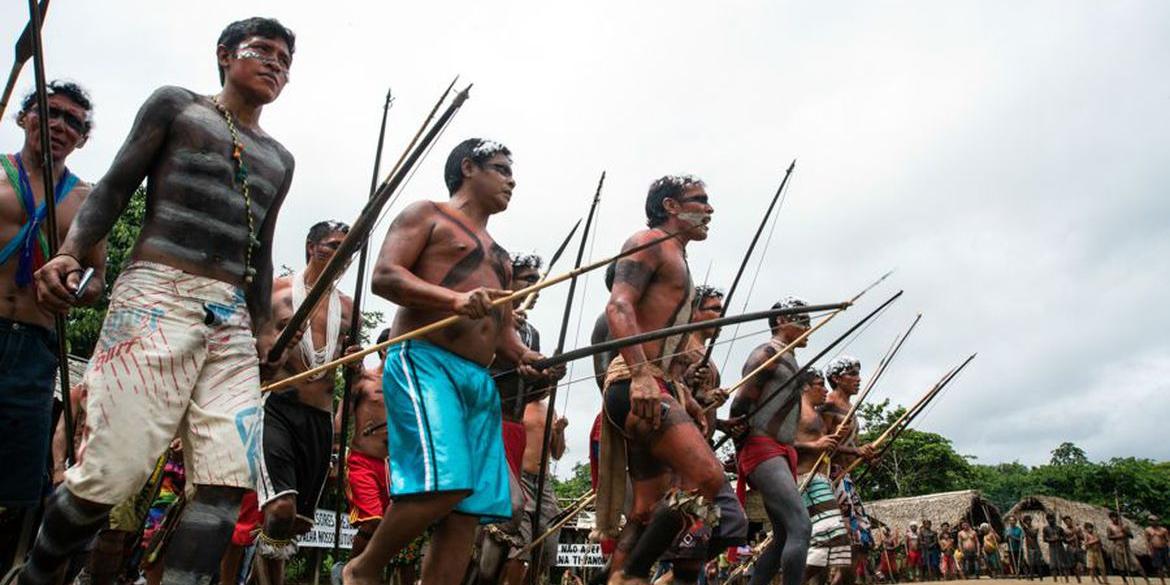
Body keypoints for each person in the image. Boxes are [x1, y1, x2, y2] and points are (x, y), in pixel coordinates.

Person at [20, 18, 297, 585]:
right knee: (109, 478)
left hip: (233, 320)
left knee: (227, 482)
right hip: (156, 295)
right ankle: (38, 574)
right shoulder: (177, 107)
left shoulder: (279, 159)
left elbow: (260, 251)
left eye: (285, 59)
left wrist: (264, 328)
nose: (276, 65)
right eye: (262, 51)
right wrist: (71, 254)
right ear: (225, 55)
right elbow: (117, 186)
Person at [343, 138, 554, 585]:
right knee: (448, 481)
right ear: (468, 168)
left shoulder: (500, 255)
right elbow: (385, 276)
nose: (511, 180)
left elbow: (502, 331)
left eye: (511, 172)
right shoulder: (428, 214)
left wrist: (526, 357)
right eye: (500, 168)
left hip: (478, 381)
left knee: (472, 507)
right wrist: (454, 299)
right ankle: (363, 570)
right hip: (426, 361)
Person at [597, 174, 728, 585]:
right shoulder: (648, 241)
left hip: (658, 386)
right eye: (699, 200)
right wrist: (639, 374)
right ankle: (634, 577)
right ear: (671, 206)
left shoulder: (679, 258)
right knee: (709, 481)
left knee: (646, 508)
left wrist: (685, 395)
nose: (709, 209)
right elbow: (619, 306)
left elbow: (667, 351)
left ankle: (615, 576)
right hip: (636, 386)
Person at [1, 80, 100, 512]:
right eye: (49, 112)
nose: (59, 125)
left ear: (81, 138)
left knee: (16, 482)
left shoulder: (85, 200)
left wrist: (75, 290)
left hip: (36, 346)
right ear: (24, 117)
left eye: (72, 121)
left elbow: (97, 279)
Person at [254, 221, 355, 585]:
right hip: (277, 407)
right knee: (281, 508)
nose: (342, 255)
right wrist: (276, 346)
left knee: (294, 522)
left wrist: (354, 361)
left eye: (349, 248)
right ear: (312, 246)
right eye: (334, 245)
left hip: (320, 418)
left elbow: (349, 368)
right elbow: (257, 358)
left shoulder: (347, 307)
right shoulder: (278, 293)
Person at [727, 295, 816, 585]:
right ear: (780, 321)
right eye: (802, 319)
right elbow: (740, 403)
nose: (808, 326)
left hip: (780, 451)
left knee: (782, 537)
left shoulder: (789, 357)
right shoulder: (767, 353)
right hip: (762, 447)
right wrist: (739, 438)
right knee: (800, 526)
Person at [339, 329, 424, 585]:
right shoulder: (364, 381)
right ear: (385, 350)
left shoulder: (409, 388)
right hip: (362, 462)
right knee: (372, 522)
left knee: (394, 530)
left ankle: (369, 575)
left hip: (394, 468)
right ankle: (351, 570)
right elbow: (341, 418)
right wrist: (349, 372)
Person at [821, 356, 878, 585]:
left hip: (847, 478)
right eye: (852, 374)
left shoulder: (850, 408)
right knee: (844, 543)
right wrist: (856, 452)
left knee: (862, 542)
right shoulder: (827, 404)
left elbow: (852, 445)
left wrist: (867, 456)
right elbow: (821, 442)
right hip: (831, 478)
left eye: (858, 373)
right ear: (836, 378)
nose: (858, 379)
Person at [792, 368, 848, 585]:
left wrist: (831, 443)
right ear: (805, 386)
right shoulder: (795, 409)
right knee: (832, 540)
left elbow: (822, 450)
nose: (825, 390)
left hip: (821, 479)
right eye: (819, 384)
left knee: (836, 547)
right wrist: (814, 444)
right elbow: (781, 442)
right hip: (807, 479)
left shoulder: (814, 414)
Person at [1045, 513, 1073, 582]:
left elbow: (1064, 538)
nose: (1050, 520)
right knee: (1053, 565)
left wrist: (1059, 538)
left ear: (1054, 519)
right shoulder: (1046, 529)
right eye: (1049, 519)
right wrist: (1051, 539)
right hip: (1052, 548)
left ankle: (1067, 580)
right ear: (1047, 520)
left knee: (1063, 564)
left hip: (1060, 547)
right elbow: (1045, 539)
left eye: (1052, 518)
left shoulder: (1059, 528)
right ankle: (1055, 581)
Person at [1146, 516, 1169, 585]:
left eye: (1153, 520)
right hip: (1155, 550)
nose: (1152, 522)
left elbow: (1168, 540)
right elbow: (1147, 541)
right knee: (1159, 567)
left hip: (1164, 549)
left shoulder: (1163, 530)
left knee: (1168, 565)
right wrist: (1149, 550)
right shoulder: (1148, 530)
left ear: (1157, 521)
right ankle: (1163, 582)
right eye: (1150, 520)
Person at [1064, 515, 1086, 583]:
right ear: (1065, 523)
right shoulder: (1065, 531)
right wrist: (1071, 538)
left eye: (1069, 521)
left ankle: (1080, 578)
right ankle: (1070, 579)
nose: (1068, 522)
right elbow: (1065, 540)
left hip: (1078, 548)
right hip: (1070, 548)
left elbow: (1083, 537)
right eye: (1066, 522)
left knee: (1081, 563)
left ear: (1071, 520)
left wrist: (1078, 534)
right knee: (1071, 565)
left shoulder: (1077, 528)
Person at [1023, 516, 1045, 581]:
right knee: (1031, 564)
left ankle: (1041, 578)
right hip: (1030, 548)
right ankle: (1031, 578)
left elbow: (1033, 534)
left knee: (1039, 564)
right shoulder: (1026, 529)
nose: (1028, 522)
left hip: (1036, 547)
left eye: (1029, 520)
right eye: (1026, 521)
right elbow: (1023, 526)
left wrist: (1026, 529)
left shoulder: (1035, 529)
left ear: (1031, 521)